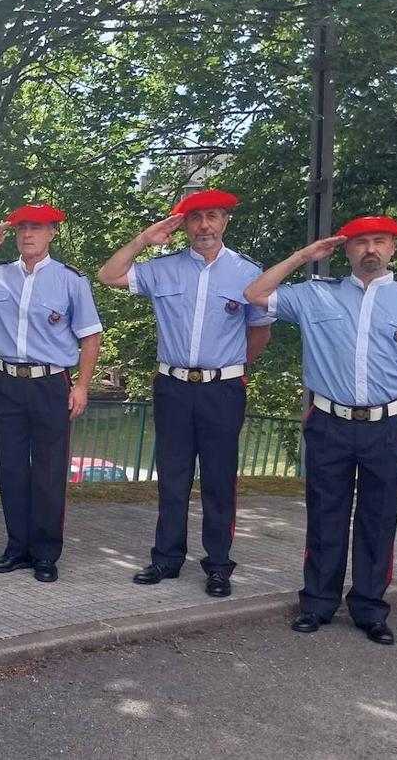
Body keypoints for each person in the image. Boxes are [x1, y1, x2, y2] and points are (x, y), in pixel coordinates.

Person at [244, 215, 397, 645]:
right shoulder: (316, 295)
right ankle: (317, 603)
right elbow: (255, 293)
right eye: (360, 243)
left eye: (379, 241)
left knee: (378, 520)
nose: (369, 249)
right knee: (325, 516)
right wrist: (304, 256)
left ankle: (370, 609)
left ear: (394, 248)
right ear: (347, 249)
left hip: (388, 427)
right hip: (329, 424)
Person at [97, 189, 272, 597]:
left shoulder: (248, 273)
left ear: (225, 221)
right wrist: (143, 239)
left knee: (218, 478)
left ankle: (218, 565)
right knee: (172, 477)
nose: (204, 226)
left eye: (212, 217)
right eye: (195, 219)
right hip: (173, 386)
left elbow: (260, 329)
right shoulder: (164, 269)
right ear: (184, 226)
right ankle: (166, 559)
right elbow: (108, 275)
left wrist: (235, 369)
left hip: (222, 389)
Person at [0, 203, 102, 583]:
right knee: (12, 469)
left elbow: (90, 335)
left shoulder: (70, 280)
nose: (27, 235)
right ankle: (17, 547)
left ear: (52, 233)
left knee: (48, 472)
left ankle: (45, 553)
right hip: (8, 381)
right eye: (22, 228)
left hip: (51, 382)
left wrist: (82, 385)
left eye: (37, 228)